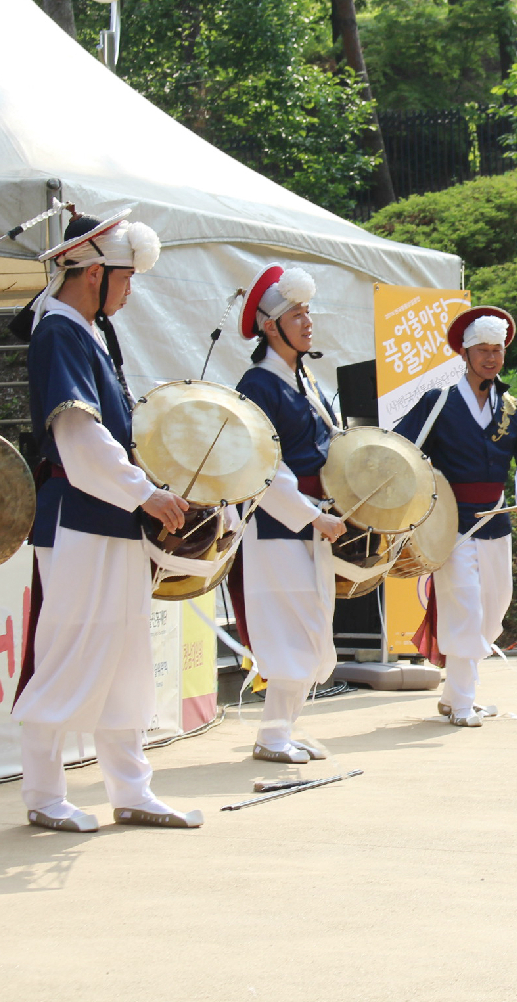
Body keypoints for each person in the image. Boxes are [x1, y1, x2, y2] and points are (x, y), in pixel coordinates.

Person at [12, 211, 202, 832]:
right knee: (71, 650)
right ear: (93, 273)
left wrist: (149, 487)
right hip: (80, 519)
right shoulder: (60, 332)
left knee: (124, 657)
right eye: (125, 278)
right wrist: (143, 493)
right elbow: (77, 434)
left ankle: (132, 789)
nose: (130, 290)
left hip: (108, 518)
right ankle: (43, 794)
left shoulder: (86, 331)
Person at [393, 306, 517, 727]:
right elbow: (403, 451)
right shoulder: (438, 401)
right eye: (482, 350)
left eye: (496, 350)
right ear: (464, 354)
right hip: (451, 523)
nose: (490, 358)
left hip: (497, 520)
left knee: (494, 606)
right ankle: (462, 703)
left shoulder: (516, 409)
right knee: (464, 606)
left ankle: (452, 695)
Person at [230, 266, 347, 763]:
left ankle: (283, 728)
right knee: (288, 627)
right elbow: (264, 465)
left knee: (313, 623)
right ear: (270, 326)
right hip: (276, 524)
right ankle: (272, 735)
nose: (308, 321)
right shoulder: (257, 385)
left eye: (308, 312)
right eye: (296, 314)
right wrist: (310, 514)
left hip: (310, 519)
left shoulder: (305, 381)